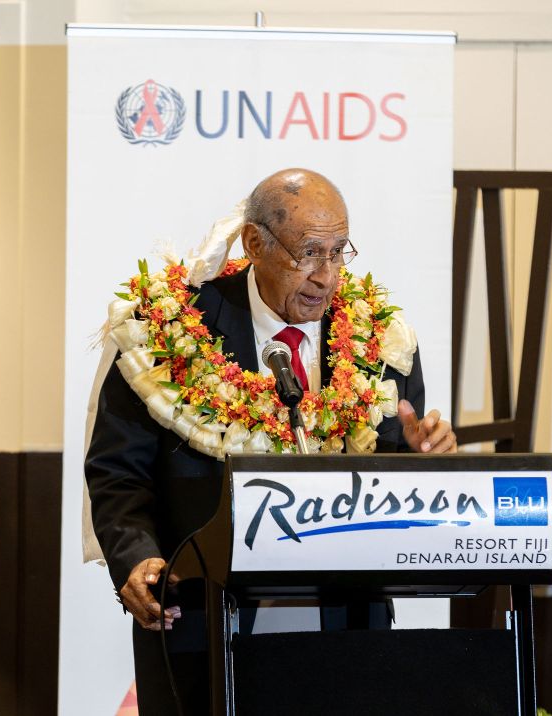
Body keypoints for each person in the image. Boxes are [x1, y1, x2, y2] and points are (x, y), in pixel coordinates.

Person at [85, 168, 457, 714]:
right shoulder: (170, 330)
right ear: (255, 243)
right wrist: (137, 558)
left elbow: (391, 482)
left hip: (344, 626)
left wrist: (424, 462)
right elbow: (118, 473)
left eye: (338, 252)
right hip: (202, 617)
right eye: (308, 252)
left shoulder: (378, 340)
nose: (326, 276)